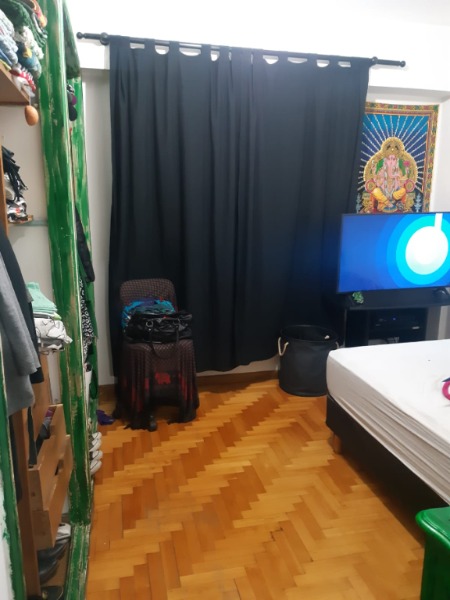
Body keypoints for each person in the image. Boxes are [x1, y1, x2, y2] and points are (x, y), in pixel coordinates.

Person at [362, 137, 417, 213]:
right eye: (389, 159)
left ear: (396, 161)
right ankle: (387, 203)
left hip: (394, 195)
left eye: (393, 159)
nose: (391, 161)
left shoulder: (399, 171)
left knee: (403, 190)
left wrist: (404, 173)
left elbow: (402, 184)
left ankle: (395, 204)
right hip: (383, 194)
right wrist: (375, 172)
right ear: (386, 160)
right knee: (375, 191)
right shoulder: (382, 170)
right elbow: (377, 183)